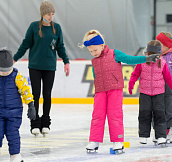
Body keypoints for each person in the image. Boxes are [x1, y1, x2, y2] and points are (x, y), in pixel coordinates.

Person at [81, 29, 159, 152]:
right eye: (90, 51)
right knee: (97, 116)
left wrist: (147, 58)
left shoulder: (114, 53)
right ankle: (94, 140)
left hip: (115, 90)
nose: (93, 53)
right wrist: (96, 91)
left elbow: (130, 59)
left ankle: (118, 140)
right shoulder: (94, 61)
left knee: (114, 115)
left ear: (102, 45)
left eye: (95, 50)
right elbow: (96, 76)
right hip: (100, 92)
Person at [13, 1, 70, 136]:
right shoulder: (33, 27)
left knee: (47, 95)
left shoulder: (57, 28)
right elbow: (25, 44)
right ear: (43, 13)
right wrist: (15, 58)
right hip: (35, 66)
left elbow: (60, 46)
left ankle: (45, 124)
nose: (51, 16)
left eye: (52, 14)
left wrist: (66, 62)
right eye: (49, 14)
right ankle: (35, 124)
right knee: (36, 94)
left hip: (50, 66)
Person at [129, 40, 172, 146]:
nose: (151, 56)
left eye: (154, 54)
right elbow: (135, 74)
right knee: (144, 113)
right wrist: (131, 84)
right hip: (145, 93)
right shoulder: (142, 62)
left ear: (159, 53)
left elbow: (168, 77)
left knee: (160, 114)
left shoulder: (162, 63)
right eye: (149, 54)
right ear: (147, 52)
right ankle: (144, 135)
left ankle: (161, 136)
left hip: (159, 93)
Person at [0, 48, 36, 162]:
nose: (5, 72)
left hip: (14, 112)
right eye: (2, 70)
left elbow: (25, 91)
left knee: (13, 134)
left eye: (7, 70)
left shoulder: (17, 76)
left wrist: (31, 105)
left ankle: (15, 155)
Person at [156, 32, 172, 143]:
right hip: (159, 87)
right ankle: (161, 132)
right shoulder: (155, 56)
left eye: (160, 44)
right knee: (160, 110)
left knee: (169, 110)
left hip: (169, 86)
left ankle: (168, 131)